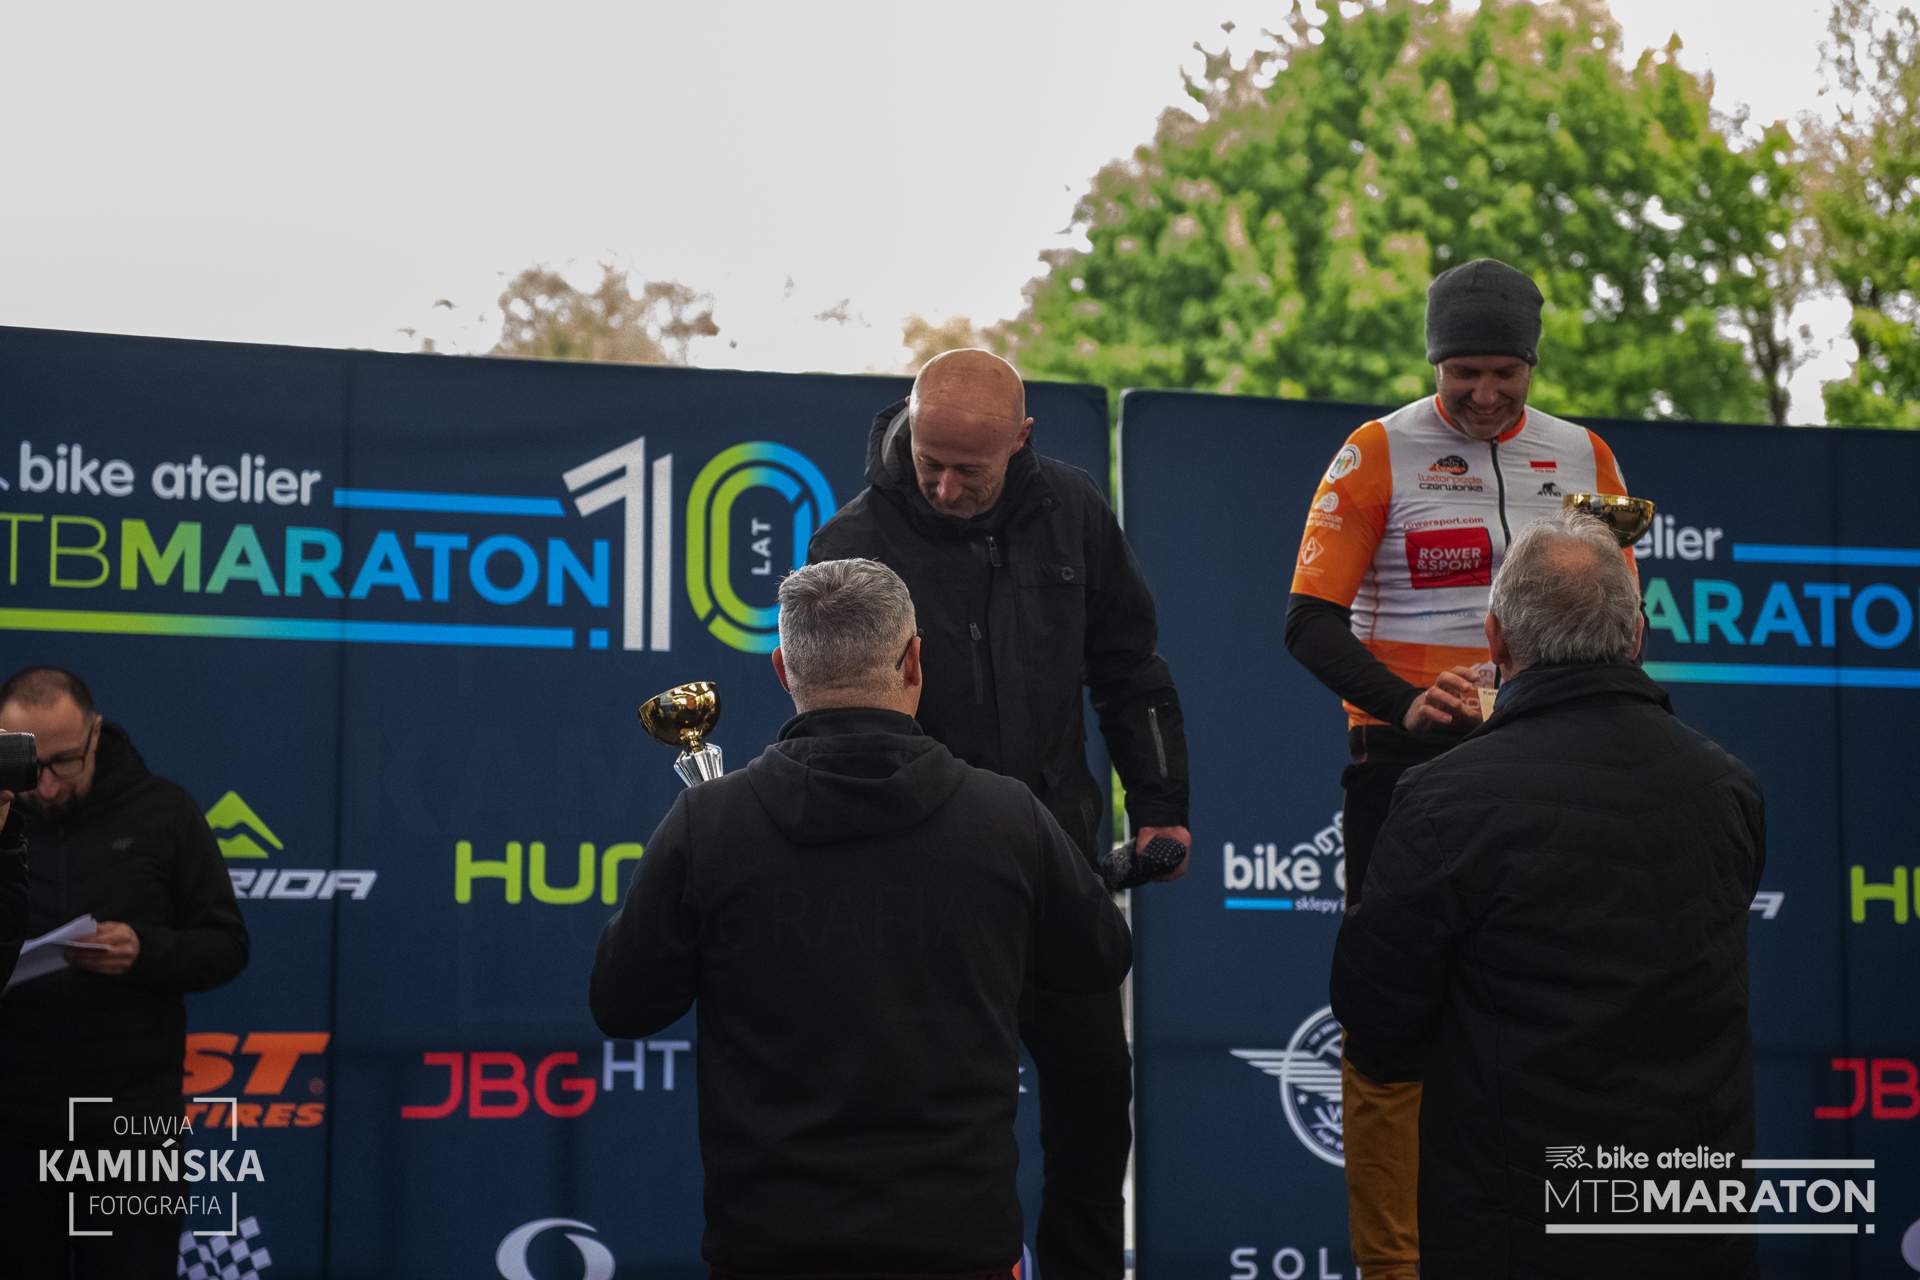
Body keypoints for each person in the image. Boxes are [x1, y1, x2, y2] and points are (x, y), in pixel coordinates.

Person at [590, 558, 1133, 1280]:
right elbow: (1100, 956)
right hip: (960, 1244)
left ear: (783, 670)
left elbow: (622, 1002)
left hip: (771, 1247)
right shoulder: (1007, 817)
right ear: (913, 662)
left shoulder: (709, 824)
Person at [806, 348, 1189, 1278]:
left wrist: (1161, 804)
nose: (943, 487)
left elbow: (1129, 670)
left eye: (968, 470)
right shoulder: (850, 541)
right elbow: (835, 726)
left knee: (1095, 1110)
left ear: (1022, 439)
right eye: (929, 462)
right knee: (934, 1125)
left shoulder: (1075, 510)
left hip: (1059, 868)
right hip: (919, 890)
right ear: (910, 426)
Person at [1284, 259, 1632, 1279]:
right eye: (1461, 374)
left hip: (1550, 760)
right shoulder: (1377, 449)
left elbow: (1621, 619)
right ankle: (1394, 1266)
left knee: (1544, 1009)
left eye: (1502, 374)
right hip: (1407, 766)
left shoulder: (1585, 455)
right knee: (1393, 1017)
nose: (1483, 394)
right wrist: (1404, 701)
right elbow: (1306, 621)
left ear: (1531, 364)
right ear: (1434, 364)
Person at [1329, 511, 1764, 1279]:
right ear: (1636, 637)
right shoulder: (1728, 788)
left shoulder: (1441, 800)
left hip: (1512, 1231)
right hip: (1694, 1229)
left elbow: (1377, 1017)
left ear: (1495, 640)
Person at [0, 666, 251, 1278]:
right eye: (29, 766)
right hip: (11, 1122)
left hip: (132, 1122)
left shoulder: (164, 812)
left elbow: (226, 944)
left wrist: (146, 950)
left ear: (96, 733)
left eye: (65, 762)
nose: (47, 787)